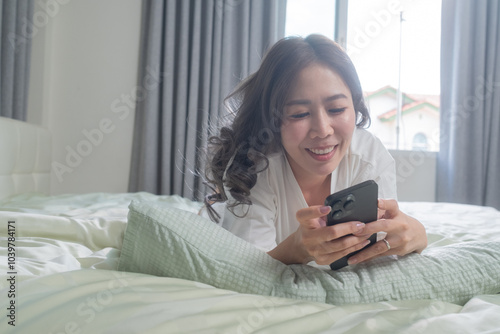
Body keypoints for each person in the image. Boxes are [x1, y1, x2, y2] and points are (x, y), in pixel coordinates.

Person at [202, 34, 427, 267]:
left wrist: (418, 235)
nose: (322, 130)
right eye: (299, 114)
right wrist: (297, 249)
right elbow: (242, 270)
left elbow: (381, 253)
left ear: (355, 106)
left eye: (337, 109)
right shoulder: (252, 167)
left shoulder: (369, 156)